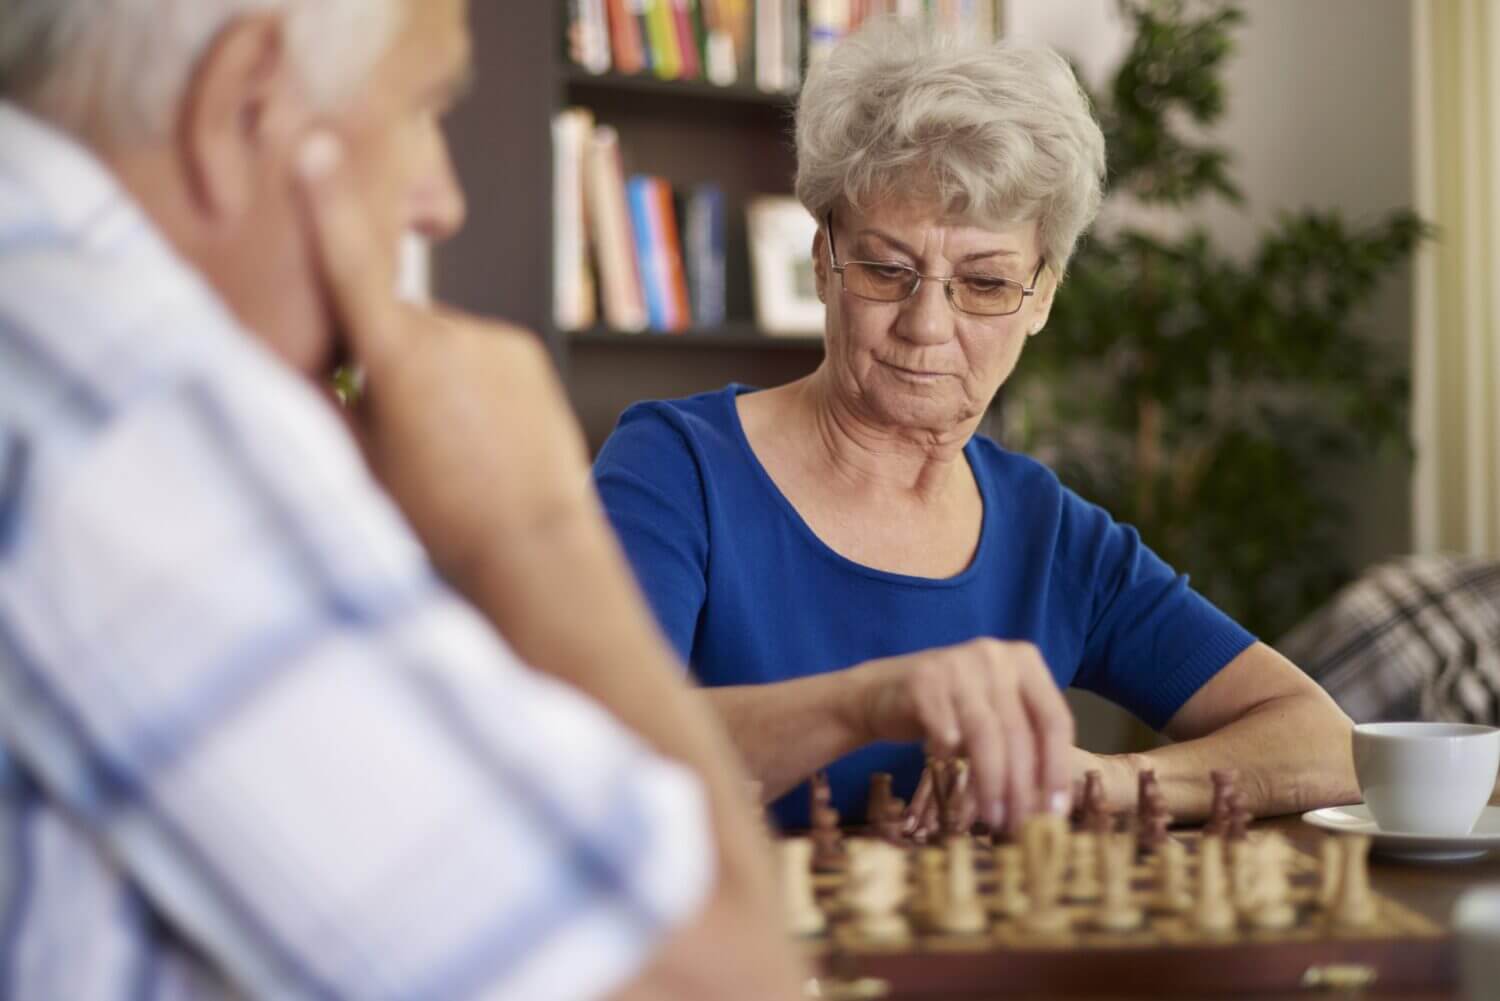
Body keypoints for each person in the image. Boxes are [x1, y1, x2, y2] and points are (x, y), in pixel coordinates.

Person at [0, 1, 805, 999]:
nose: (441, 203)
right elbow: (719, 979)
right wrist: (533, 525)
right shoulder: (133, 408)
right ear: (247, 103)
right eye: (425, 108)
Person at [595, 22, 1358, 834]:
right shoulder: (675, 469)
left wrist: (1099, 781)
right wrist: (870, 703)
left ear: (1043, 298)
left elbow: (1326, 743)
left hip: (964, 957)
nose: (927, 325)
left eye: (987, 283)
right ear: (823, 261)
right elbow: (595, 749)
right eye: (888, 270)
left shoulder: (1049, 533)